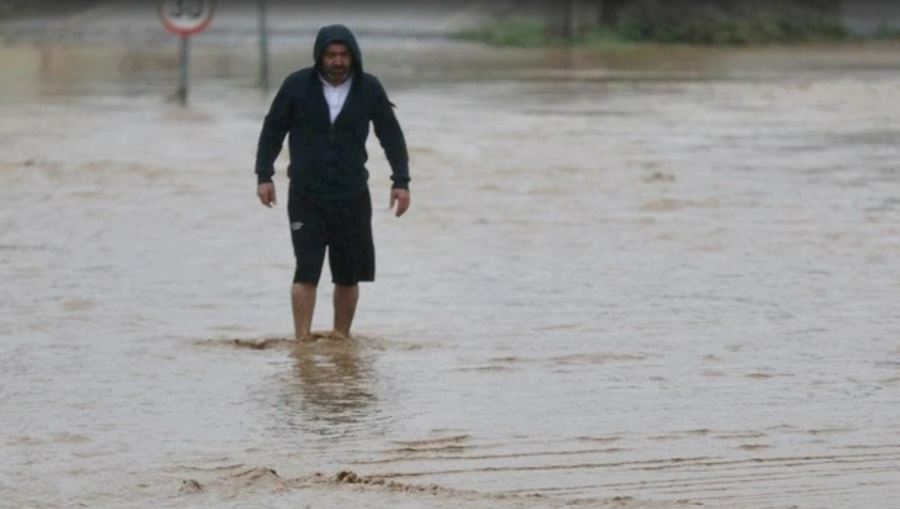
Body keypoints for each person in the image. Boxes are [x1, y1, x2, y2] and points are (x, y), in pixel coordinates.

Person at [254, 24, 410, 341]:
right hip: (305, 194)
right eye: (331, 55)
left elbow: (391, 136)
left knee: (348, 275)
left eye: (343, 55)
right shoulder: (297, 86)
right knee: (306, 269)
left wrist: (401, 181)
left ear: (353, 56)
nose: (337, 61)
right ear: (319, 57)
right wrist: (264, 175)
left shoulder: (369, 88)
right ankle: (301, 343)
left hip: (351, 194)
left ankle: (340, 339)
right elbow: (272, 130)